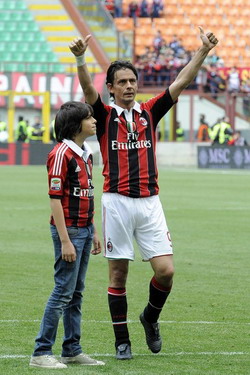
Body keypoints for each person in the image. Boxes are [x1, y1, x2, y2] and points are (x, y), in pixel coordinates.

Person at [69, 26, 218, 360]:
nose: (129, 86)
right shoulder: (104, 117)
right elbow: (86, 87)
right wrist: (80, 57)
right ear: (110, 88)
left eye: (132, 81)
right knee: (118, 274)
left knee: (166, 271)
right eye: (121, 82)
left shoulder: (150, 112)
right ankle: (122, 341)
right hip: (117, 202)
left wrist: (203, 51)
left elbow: (181, 81)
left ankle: (150, 318)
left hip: (150, 203)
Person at [29, 101, 105, 369]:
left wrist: (93, 229)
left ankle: (72, 349)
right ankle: (41, 352)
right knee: (63, 291)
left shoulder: (86, 153)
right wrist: (65, 240)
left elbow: (87, 195)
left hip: (84, 229)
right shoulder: (61, 154)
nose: (94, 121)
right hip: (69, 232)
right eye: (89, 118)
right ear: (75, 125)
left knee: (77, 292)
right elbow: (55, 199)